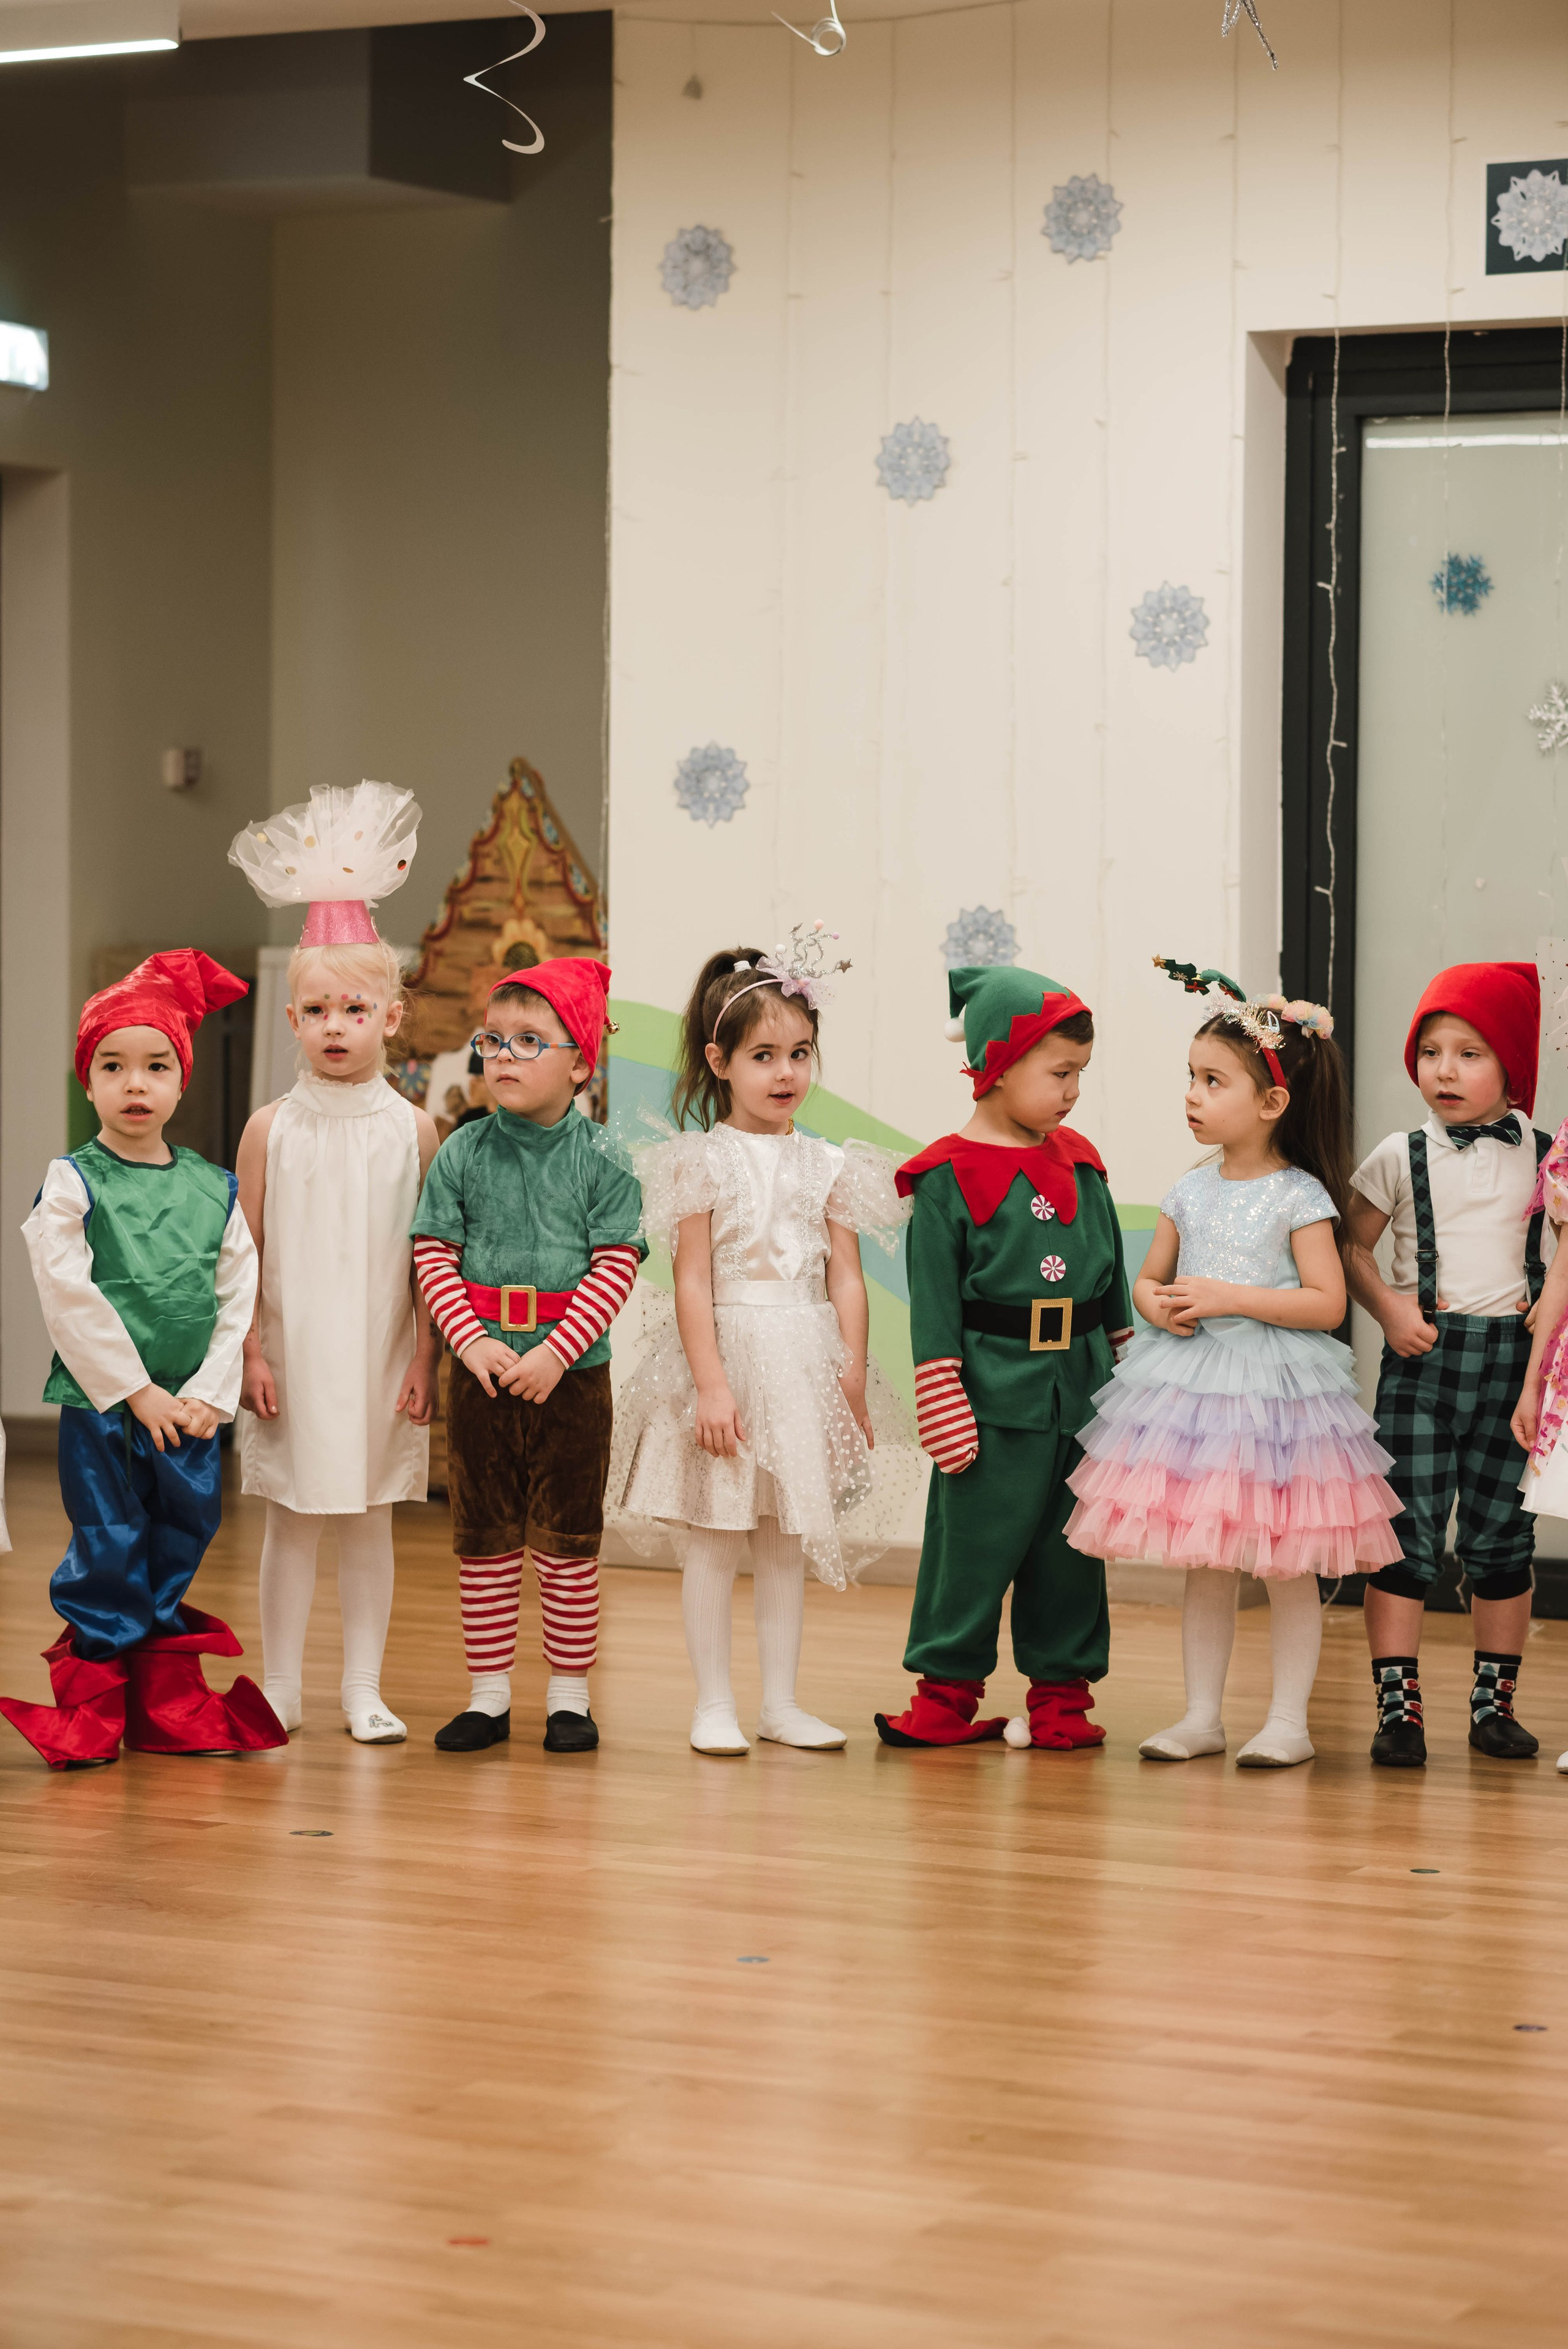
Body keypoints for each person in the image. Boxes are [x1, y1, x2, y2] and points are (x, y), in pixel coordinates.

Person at [1068, 963, 1401, 1766]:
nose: (1193, 1093)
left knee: (1286, 1563)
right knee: (1206, 1560)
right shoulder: (1191, 1189)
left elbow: (1325, 1302)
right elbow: (1148, 1278)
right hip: (1194, 1392)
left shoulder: (1300, 1196)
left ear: (1272, 1102)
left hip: (1278, 1398)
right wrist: (1157, 1304)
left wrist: (1228, 1295)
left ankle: (1289, 1719)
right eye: (1191, 1077)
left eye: (1212, 1080)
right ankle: (1202, 1714)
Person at [607, 930, 918, 1755]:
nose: (786, 1073)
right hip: (728, 1358)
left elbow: (846, 1276)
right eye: (765, 1055)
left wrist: (851, 1374)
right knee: (713, 1535)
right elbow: (693, 1282)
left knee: (785, 1537)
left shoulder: (832, 1164)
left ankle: (780, 1702)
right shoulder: (698, 1159)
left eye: (801, 1053)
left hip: (806, 1359)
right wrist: (712, 1385)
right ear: (719, 1060)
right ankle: (715, 1702)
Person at [0, 952, 285, 1768]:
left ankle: (162, 1697)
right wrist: (136, 1391)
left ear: (180, 1079)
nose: (135, 1083)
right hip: (105, 1408)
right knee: (110, 1538)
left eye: (155, 1065)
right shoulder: (72, 1181)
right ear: (86, 1080)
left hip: (189, 1409)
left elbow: (237, 1295)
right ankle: (91, 1707)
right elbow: (69, 1292)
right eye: (112, 1066)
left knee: (182, 1531)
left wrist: (204, 1393)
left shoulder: (214, 1188)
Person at [875, 964, 1133, 1752]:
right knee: (973, 1548)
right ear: (996, 1066)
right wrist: (941, 1395)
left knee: (1070, 1553)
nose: (1072, 1092)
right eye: (1059, 1073)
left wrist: (1129, 1378)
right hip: (991, 1399)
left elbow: (1110, 1275)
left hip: (1080, 1392)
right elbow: (937, 1304)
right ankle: (945, 1697)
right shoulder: (946, 1178)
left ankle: (1062, 1698)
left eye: (1079, 1075)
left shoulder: (1081, 1162)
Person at [229, 782, 440, 1744]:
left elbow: (431, 1258)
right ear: (292, 1017)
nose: (335, 1024)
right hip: (294, 1349)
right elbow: (249, 1255)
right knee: (292, 1518)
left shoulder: (416, 1130)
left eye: (355, 1005)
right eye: (317, 1007)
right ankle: (278, 1685)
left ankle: (363, 1684)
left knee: (368, 1517)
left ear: (391, 1016)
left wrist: (427, 1357)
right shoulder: (270, 1128)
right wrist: (252, 1354)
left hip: (381, 1349)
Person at [412, 958, 644, 1755]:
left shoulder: (605, 1156)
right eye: (493, 1039)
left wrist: (553, 1352)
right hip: (479, 1376)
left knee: (566, 1543)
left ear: (580, 1063)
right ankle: (488, 1694)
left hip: (571, 1379)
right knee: (484, 1540)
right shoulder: (463, 1151)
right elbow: (434, 1253)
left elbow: (617, 1263)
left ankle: (570, 1697)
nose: (503, 1055)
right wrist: (469, 1340)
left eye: (529, 1040)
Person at [1347, 961, 1548, 1768]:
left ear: (1512, 1064)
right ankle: (1399, 1708)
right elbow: (1351, 1242)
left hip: (1514, 1370)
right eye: (1432, 1050)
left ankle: (1493, 1703)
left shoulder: (1546, 1152)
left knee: (1504, 1539)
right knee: (1405, 1535)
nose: (1445, 1069)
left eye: (1470, 1052)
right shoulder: (1400, 1153)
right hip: (1423, 1366)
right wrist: (1391, 1308)